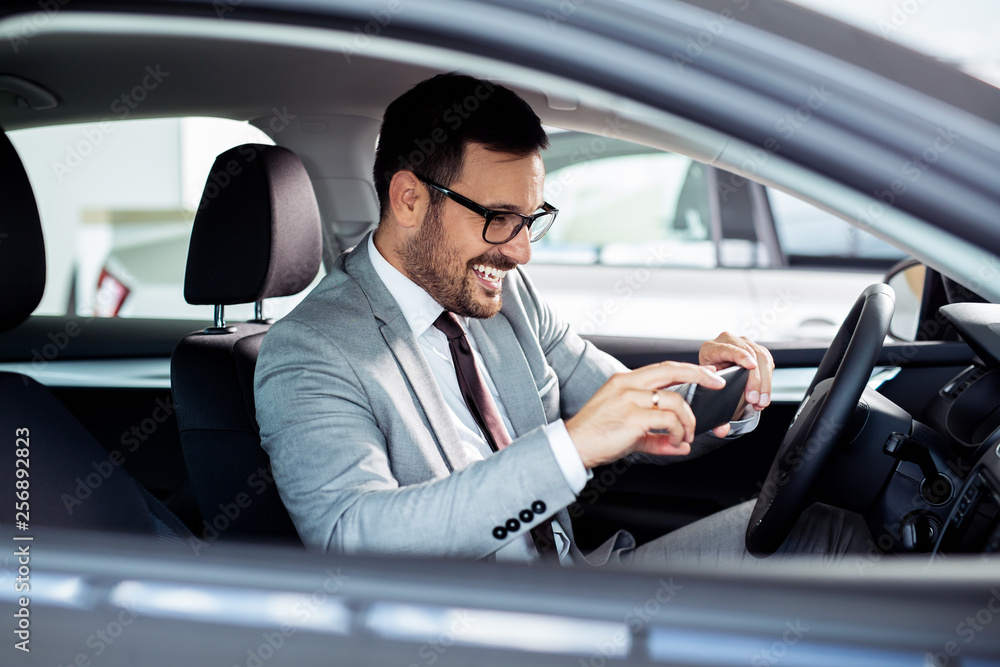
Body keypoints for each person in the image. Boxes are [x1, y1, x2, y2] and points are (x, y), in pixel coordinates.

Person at [254, 73, 870, 568]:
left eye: (531, 219)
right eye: (498, 217)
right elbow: (352, 539)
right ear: (410, 199)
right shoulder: (310, 350)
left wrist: (715, 395)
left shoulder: (506, 298)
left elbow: (620, 412)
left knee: (826, 534)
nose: (521, 251)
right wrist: (569, 449)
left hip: (576, 590)